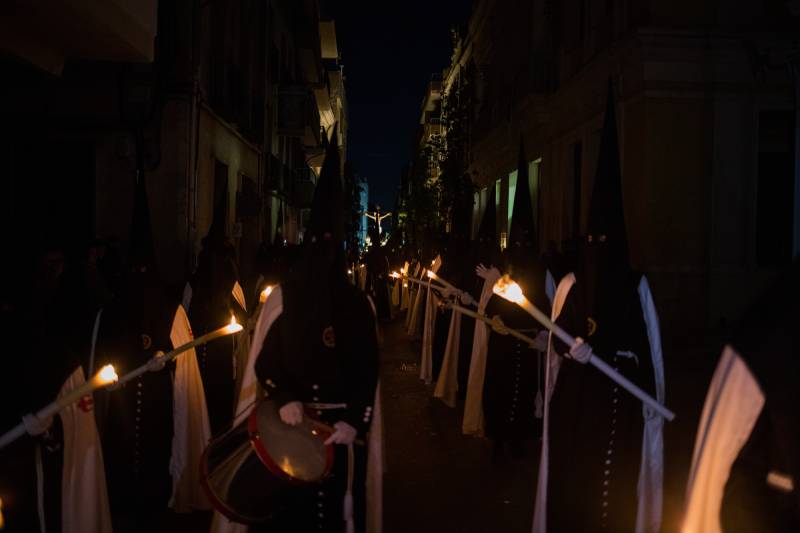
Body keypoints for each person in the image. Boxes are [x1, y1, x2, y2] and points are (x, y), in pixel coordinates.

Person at [536, 83, 664, 533]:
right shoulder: (572, 284)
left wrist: (648, 392)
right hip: (578, 408)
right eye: (590, 242)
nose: (596, 249)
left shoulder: (636, 286)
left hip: (621, 405)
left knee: (617, 492)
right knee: (579, 488)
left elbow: (649, 349)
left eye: (603, 243)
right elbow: (554, 339)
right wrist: (572, 351)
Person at [253, 128, 380, 533]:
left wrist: (356, 424)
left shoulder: (357, 305)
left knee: (341, 513)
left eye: (331, 244)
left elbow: (368, 370)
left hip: (340, 436)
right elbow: (266, 363)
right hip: (294, 429)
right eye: (318, 244)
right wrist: (286, 396)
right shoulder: (285, 299)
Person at [482, 139, 548, 460]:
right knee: (500, 388)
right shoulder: (506, 269)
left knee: (523, 393)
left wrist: (543, 334)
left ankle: (521, 436)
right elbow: (493, 304)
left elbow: (544, 305)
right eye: (516, 240)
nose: (519, 246)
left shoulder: (538, 269)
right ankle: (498, 437)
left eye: (525, 241)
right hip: (504, 343)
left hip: (527, 343)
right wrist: (494, 319)